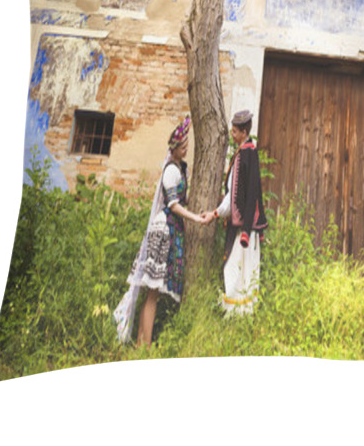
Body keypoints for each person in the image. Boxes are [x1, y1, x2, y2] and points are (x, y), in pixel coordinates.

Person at [114, 116, 205, 346]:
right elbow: (173, 205)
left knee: (152, 292)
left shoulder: (179, 168)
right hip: (163, 230)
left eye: (187, 146)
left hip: (169, 229)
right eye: (183, 147)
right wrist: (195, 217)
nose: (186, 150)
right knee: (152, 291)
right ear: (174, 149)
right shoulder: (171, 171)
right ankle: (143, 345)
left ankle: (141, 343)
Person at [202, 109, 268, 315]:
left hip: (242, 230)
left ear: (243, 132)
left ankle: (236, 318)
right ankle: (242, 317)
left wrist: (214, 214)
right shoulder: (249, 153)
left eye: (234, 131)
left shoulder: (243, 157)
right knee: (245, 273)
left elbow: (236, 198)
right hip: (249, 227)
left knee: (235, 272)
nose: (232, 134)